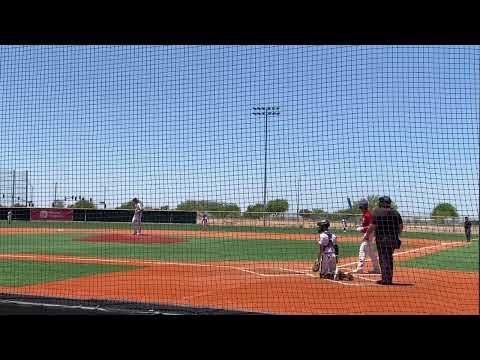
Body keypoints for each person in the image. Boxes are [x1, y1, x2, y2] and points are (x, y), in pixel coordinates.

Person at [366, 196, 403, 285]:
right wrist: (396, 234)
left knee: (383, 258)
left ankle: (386, 280)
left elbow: (372, 226)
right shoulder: (395, 212)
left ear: (382, 202)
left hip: (382, 239)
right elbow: (401, 226)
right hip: (393, 239)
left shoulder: (377, 211)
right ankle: (388, 278)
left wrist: (367, 235)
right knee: (389, 257)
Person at [353, 199, 380, 274]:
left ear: (363, 207)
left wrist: (363, 229)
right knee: (372, 253)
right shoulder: (365, 214)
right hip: (369, 233)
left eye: (361, 207)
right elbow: (366, 225)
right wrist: (361, 227)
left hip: (369, 233)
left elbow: (371, 226)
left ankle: (360, 268)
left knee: (362, 250)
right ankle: (377, 269)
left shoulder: (368, 215)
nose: (360, 208)